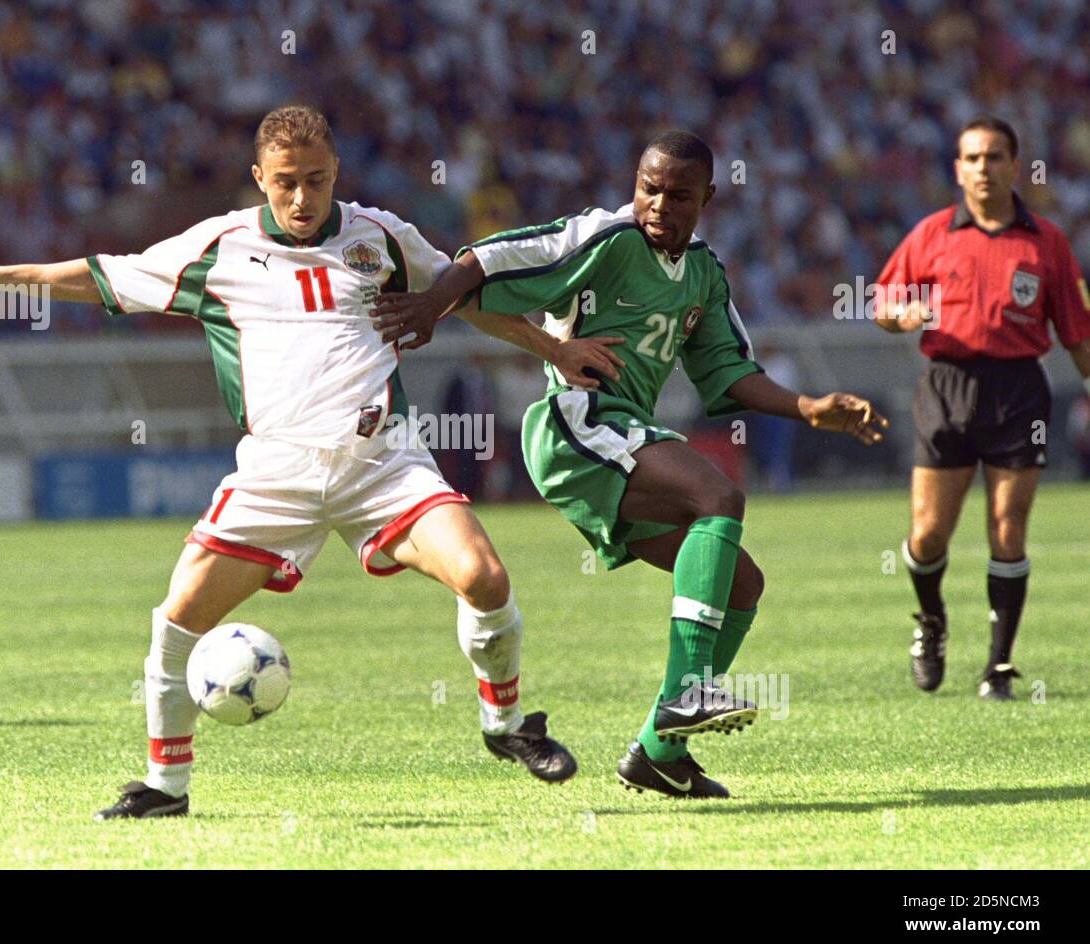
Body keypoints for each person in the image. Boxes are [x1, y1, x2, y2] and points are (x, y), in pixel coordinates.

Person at [0, 105, 577, 820]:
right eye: (286, 183)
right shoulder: (219, 247)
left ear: (338, 175)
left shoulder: (382, 236)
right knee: (176, 618)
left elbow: (465, 296)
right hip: (277, 474)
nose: (302, 199)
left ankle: (507, 725)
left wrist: (556, 349)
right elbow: (106, 279)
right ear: (258, 179)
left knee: (484, 575)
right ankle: (165, 787)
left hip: (383, 463)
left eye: (318, 181)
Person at [372, 131, 887, 798]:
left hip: (623, 434)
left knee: (741, 584)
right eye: (648, 187)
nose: (656, 204)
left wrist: (810, 405)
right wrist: (427, 306)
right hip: (575, 423)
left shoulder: (703, 272)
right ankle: (690, 693)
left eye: (677, 194)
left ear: (707, 197)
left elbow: (728, 374)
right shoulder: (606, 238)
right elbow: (487, 258)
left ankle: (658, 751)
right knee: (720, 497)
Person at [872, 115, 1090, 701]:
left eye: (994, 157)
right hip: (946, 387)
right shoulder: (932, 234)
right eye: (972, 158)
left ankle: (999, 666)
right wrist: (904, 314)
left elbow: (1077, 334)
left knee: (1008, 527)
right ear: (957, 169)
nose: (983, 168)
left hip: (1020, 391)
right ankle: (933, 623)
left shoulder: (1047, 241)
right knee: (927, 534)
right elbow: (883, 304)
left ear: (1015, 167)